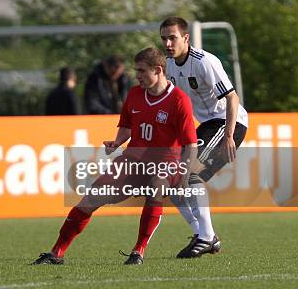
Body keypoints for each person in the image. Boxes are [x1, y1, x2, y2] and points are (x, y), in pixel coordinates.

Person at [32, 47, 198, 265]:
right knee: (90, 198)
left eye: (141, 71)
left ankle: (138, 251)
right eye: (136, 70)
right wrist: (117, 142)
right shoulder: (135, 94)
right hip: (133, 161)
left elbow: (191, 144)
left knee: (157, 188)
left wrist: (184, 177)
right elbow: (128, 127)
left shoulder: (179, 100)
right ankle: (56, 253)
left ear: (158, 70)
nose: (136, 76)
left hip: (166, 163)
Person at [160, 16, 249, 258]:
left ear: (185, 38)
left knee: (191, 174)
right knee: (173, 182)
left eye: (173, 38)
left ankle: (207, 237)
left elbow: (232, 98)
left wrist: (229, 136)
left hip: (227, 122)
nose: (168, 43)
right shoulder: (169, 66)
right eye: (164, 39)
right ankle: (205, 234)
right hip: (206, 126)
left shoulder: (204, 62)